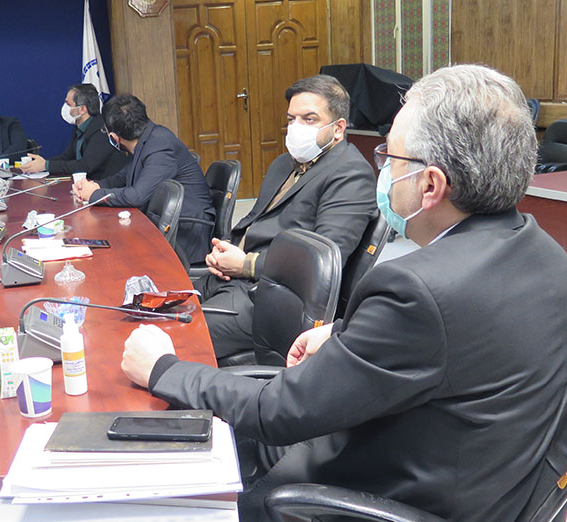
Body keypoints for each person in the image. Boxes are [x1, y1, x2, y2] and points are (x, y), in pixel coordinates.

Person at [118, 65, 567, 522]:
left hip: (380, 516)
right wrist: (345, 330)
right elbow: (458, 330)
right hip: (464, 483)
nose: (382, 168)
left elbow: (276, 412)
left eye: (391, 156)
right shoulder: (543, 251)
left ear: (430, 185)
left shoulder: (416, 291)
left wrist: (164, 368)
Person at [197, 75, 377, 359]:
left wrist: (246, 264)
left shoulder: (351, 174)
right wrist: (224, 251)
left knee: (177, 335)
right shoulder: (285, 164)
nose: (296, 127)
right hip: (232, 280)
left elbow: (322, 260)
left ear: (338, 128)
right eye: (292, 119)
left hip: (274, 298)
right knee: (154, 306)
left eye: (309, 119)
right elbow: (255, 221)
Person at [72, 94, 215, 262]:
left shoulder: (160, 145)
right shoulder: (147, 140)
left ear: (114, 137)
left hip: (187, 233)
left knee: (113, 254)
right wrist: (93, 186)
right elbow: (122, 177)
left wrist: (94, 195)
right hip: (164, 223)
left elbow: (137, 196)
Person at [19, 84, 129, 181]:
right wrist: (41, 163)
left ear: (82, 109)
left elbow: (86, 165)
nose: (65, 108)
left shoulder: (102, 129)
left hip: (106, 187)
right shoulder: (79, 128)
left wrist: (46, 165)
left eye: (68, 104)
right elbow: (67, 157)